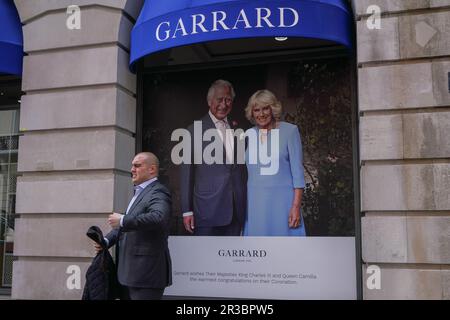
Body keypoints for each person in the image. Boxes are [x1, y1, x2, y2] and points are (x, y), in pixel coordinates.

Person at [93, 152, 172, 300]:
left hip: (146, 275)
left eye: (137, 165)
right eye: (132, 166)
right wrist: (106, 241)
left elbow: (159, 217)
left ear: (152, 170)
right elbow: (127, 227)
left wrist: (123, 220)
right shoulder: (140, 192)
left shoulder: (158, 191)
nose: (132, 169)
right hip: (129, 274)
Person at [179, 79, 247, 236]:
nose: (224, 104)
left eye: (228, 100)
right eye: (219, 99)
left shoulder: (239, 128)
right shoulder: (193, 130)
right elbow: (186, 174)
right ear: (209, 101)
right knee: (205, 260)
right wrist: (186, 210)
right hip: (206, 211)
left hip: (237, 211)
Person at [243, 89, 306, 236]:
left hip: (282, 204)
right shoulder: (248, 135)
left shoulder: (290, 131)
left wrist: (295, 207)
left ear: (273, 109)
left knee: (285, 252)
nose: (261, 114)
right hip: (255, 204)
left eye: (265, 108)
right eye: (256, 110)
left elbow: (298, 174)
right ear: (252, 113)